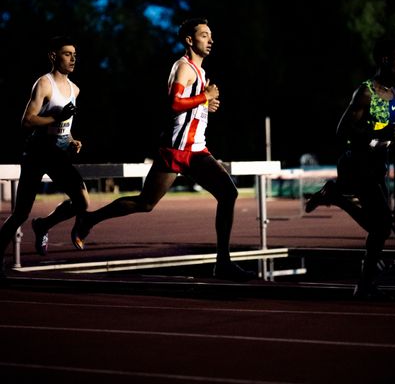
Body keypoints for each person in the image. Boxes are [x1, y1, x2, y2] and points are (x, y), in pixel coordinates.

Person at [71, 17, 255, 281]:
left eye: (210, 35)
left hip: (197, 150)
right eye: (204, 35)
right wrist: (204, 97)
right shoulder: (183, 67)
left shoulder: (201, 72)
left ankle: (223, 262)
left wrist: (205, 106)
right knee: (145, 203)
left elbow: (188, 108)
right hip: (175, 150)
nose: (211, 40)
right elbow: (174, 104)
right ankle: (88, 220)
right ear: (190, 40)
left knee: (228, 193)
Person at [305, 38, 395, 299]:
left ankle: (365, 283)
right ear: (384, 60)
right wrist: (382, 133)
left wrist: (392, 137)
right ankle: (365, 284)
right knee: (381, 227)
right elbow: (343, 130)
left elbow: (390, 137)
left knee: (380, 228)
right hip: (357, 164)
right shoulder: (366, 92)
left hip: (377, 166)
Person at [0, 35, 89, 276]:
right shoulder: (44, 84)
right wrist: (55, 118)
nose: (72, 58)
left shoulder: (75, 89)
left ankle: (43, 225)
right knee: (21, 212)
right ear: (53, 56)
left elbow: (65, 127)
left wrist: (72, 140)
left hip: (58, 153)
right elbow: (27, 121)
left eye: (74, 54)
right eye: (67, 53)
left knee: (82, 202)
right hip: (37, 151)